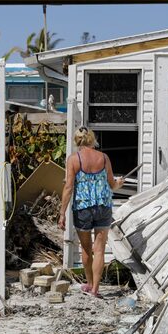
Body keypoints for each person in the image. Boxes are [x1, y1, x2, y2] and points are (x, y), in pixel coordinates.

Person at [58, 126, 124, 298]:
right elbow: (112, 185)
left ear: (77, 140)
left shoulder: (74, 159)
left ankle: (88, 283)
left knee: (86, 249)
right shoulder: (104, 158)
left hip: (82, 209)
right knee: (100, 249)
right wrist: (120, 183)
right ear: (92, 139)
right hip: (103, 207)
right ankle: (95, 289)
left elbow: (68, 187)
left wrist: (62, 213)